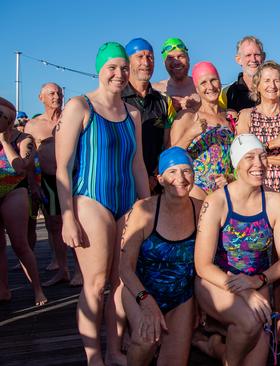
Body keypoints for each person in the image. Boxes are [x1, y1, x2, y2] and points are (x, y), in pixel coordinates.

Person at [55, 42, 150, 365]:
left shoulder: (132, 114)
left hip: (125, 202)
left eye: (124, 68)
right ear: (99, 70)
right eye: (112, 67)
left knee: (121, 283)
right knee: (95, 284)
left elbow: (137, 164)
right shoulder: (80, 107)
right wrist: (68, 217)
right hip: (90, 200)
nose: (119, 74)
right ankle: (94, 354)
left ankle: (114, 349)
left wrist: (148, 207)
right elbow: (63, 168)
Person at [194, 133, 280, 366]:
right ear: (236, 164)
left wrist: (257, 281)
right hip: (216, 281)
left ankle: (215, 348)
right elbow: (202, 265)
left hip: (256, 282)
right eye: (249, 157)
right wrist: (244, 291)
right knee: (250, 322)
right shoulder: (216, 202)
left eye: (262, 157)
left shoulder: (275, 202)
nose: (258, 164)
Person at [119, 147, 200, 366]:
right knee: (146, 340)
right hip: (141, 290)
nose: (181, 179)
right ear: (160, 178)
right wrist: (146, 301)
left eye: (186, 171)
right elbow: (125, 267)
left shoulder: (201, 210)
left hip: (181, 297)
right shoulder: (144, 210)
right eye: (172, 172)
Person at [236, 61, 280, 224]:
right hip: (254, 187)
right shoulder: (246, 115)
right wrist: (272, 144)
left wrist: (261, 158)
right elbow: (241, 156)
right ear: (257, 85)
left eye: (276, 80)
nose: (272, 85)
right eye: (267, 80)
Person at [26, 83, 82, 286]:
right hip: (49, 180)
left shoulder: (72, 118)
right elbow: (29, 158)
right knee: (54, 225)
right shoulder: (33, 125)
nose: (56, 96)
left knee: (78, 222)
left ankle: (80, 271)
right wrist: (33, 183)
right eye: (51, 93)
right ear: (41, 97)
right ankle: (63, 269)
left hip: (74, 176)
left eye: (59, 93)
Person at [0, 96, 47, 306]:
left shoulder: (23, 139)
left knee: (20, 245)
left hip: (15, 191)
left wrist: (3, 140)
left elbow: (20, 167)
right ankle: (3, 289)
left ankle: (37, 289)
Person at [171, 61, 234, 200]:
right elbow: (172, 157)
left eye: (213, 80)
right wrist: (190, 134)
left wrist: (229, 178)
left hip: (224, 192)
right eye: (203, 83)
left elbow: (237, 161)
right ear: (197, 89)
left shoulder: (230, 117)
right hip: (196, 192)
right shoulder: (188, 116)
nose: (210, 87)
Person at [122, 38, 176, 193]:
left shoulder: (164, 102)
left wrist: (154, 175)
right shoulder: (116, 99)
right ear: (128, 62)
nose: (146, 63)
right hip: (125, 183)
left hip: (155, 183)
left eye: (150, 57)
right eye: (140, 57)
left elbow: (168, 144)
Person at [218, 36, 266, 115]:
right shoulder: (226, 93)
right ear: (238, 59)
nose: (253, 59)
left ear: (263, 57)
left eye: (257, 54)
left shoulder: (275, 90)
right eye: (248, 55)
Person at [152, 38, 199, 112]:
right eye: (170, 58)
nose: (176, 62)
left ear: (188, 58)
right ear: (164, 63)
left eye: (180, 56)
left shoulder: (202, 86)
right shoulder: (155, 90)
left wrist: (197, 106)